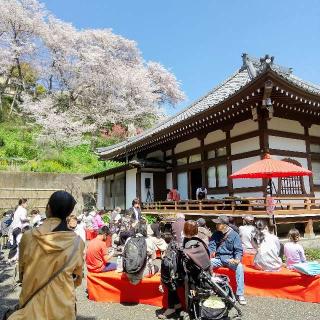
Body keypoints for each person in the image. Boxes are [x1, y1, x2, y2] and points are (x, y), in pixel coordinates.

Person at [8, 191, 84, 320]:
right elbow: (77, 278)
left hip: (31, 307)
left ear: (48, 208)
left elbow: (22, 272)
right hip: (63, 308)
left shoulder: (28, 237)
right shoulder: (77, 243)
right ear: (68, 213)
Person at [209, 215, 246, 305]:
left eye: (218, 223)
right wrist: (212, 251)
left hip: (230, 259)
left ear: (224, 225)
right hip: (218, 259)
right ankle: (209, 288)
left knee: (240, 267)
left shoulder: (234, 235)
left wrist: (237, 259)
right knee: (206, 263)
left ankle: (240, 294)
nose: (216, 225)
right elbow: (211, 245)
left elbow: (238, 250)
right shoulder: (216, 233)